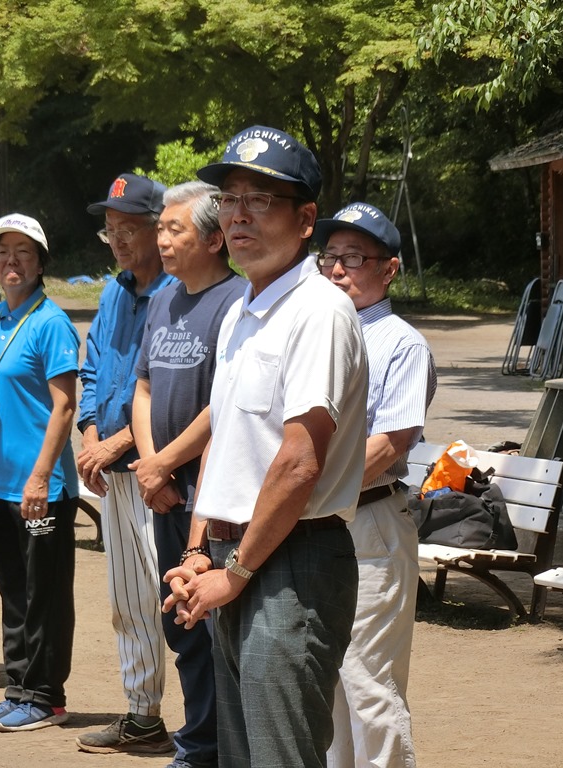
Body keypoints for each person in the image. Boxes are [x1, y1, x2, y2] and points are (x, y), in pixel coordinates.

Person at [162, 126, 369, 767]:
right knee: (242, 758)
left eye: (262, 199)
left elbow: (299, 460)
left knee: (280, 758)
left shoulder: (320, 311)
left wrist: (238, 571)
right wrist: (201, 550)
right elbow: (227, 440)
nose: (239, 213)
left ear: (306, 220)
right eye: (230, 198)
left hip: (290, 566)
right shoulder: (242, 310)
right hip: (236, 554)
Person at [314, 203, 437, 768]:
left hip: (369, 524)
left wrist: (306, 494)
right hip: (317, 525)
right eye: (330, 257)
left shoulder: (400, 343)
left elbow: (390, 444)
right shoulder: (316, 332)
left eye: (354, 259)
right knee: (328, 683)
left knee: (369, 684)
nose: (337, 270)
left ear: (388, 269)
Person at [130, 181, 247, 768]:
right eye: (161, 229)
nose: (163, 240)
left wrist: (165, 462)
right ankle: (198, 742)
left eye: (174, 230)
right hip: (165, 492)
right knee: (178, 621)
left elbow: (222, 404)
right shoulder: (162, 299)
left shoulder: (236, 301)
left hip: (211, 490)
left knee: (212, 627)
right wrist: (153, 470)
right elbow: (144, 384)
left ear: (213, 237)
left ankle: (214, 750)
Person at [0, 214, 81, 731]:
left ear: (41, 262)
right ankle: (20, 686)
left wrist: (39, 476)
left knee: (43, 595)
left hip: (41, 488)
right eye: (1, 251)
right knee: (13, 591)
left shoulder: (51, 324)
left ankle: (47, 696)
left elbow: (64, 407)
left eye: (24, 252)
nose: (11, 261)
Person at [75, 173, 177, 755]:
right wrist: (92, 438)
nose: (117, 239)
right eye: (109, 229)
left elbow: (170, 391)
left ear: (157, 229)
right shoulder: (114, 291)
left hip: (160, 472)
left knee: (179, 598)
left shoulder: (179, 294)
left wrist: (118, 448)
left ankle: (213, 725)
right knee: (129, 599)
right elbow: (93, 371)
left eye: (128, 228)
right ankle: (142, 715)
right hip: (111, 470)